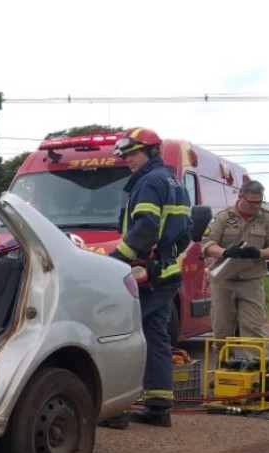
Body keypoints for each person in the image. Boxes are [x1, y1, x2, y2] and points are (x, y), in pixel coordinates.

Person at [106, 127, 193, 428]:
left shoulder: (148, 182)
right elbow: (188, 230)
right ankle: (158, 406)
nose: (129, 160)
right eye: (126, 155)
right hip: (166, 274)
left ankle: (114, 411)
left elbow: (144, 228)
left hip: (148, 278)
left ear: (151, 152)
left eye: (134, 154)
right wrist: (166, 254)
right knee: (156, 337)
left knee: (120, 337)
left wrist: (116, 259)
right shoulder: (174, 182)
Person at [200, 180, 269, 339]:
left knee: (253, 328)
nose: (256, 206)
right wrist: (225, 252)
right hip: (223, 280)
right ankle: (224, 361)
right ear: (240, 197)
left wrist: (258, 253)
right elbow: (207, 244)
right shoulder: (223, 217)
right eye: (252, 202)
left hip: (251, 281)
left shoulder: (268, 219)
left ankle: (255, 362)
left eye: (259, 202)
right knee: (222, 329)